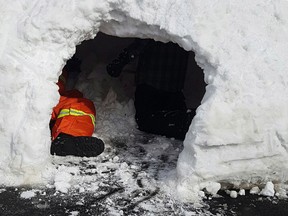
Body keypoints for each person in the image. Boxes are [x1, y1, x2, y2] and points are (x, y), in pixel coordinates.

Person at [107, 39, 196, 140]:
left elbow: (146, 39)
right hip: (175, 86)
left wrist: (122, 60)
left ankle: (185, 121)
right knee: (172, 115)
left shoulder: (164, 26)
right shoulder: (184, 29)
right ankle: (188, 120)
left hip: (151, 82)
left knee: (145, 120)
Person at [50, 57, 105, 157]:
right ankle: (64, 140)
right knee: (81, 106)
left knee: (79, 101)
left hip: (48, 96)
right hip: (38, 100)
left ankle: (67, 136)